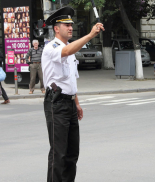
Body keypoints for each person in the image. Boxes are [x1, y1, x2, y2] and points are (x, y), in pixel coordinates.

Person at [41, 6, 104, 182]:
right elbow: (66, 52)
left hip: (68, 103)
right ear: (56, 28)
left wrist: (76, 103)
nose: (70, 27)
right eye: (66, 24)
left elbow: (71, 80)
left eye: (71, 24)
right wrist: (91, 35)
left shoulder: (70, 48)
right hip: (56, 103)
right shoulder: (52, 47)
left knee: (71, 154)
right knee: (58, 153)